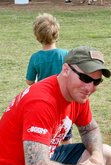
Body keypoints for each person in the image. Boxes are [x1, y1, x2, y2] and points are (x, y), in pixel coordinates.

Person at [26, 13, 72, 144]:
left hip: (44, 102)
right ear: (56, 33)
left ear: (37, 36)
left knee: (45, 134)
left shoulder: (35, 57)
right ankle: (67, 159)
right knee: (65, 135)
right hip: (64, 101)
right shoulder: (66, 55)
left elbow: (29, 81)